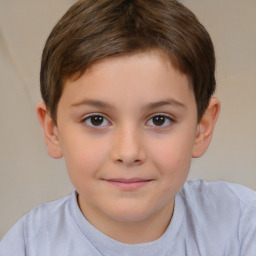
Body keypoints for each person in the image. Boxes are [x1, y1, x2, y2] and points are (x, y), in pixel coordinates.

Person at [0, 0, 255, 255]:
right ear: (52, 130)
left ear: (202, 128)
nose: (129, 152)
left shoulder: (241, 223)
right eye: (96, 120)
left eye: (159, 120)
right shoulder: (26, 246)